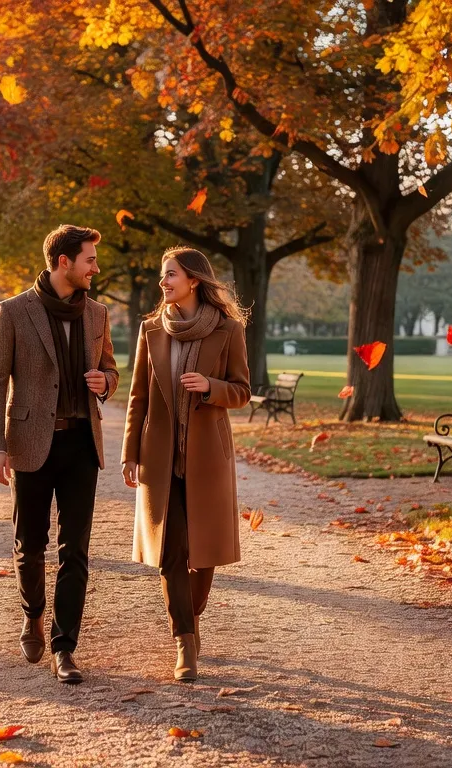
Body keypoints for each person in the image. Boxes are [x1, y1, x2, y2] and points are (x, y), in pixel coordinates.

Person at [0, 224, 119, 684]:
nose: (95, 268)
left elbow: (111, 370)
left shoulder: (97, 314)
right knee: (30, 545)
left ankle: (65, 647)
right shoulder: (14, 311)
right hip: (28, 444)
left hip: (82, 443)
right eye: (90, 260)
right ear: (64, 262)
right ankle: (33, 615)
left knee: (75, 549)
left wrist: (106, 383)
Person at [121, 246, 251, 682]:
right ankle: (185, 640)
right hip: (160, 459)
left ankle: (189, 622)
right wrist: (129, 454)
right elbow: (138, 396)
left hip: (208, 458)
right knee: (170, 551)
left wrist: (211, 386)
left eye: (170, 274)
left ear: (193, 280)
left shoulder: (229, 330)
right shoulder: (151, 330)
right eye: (163, 275)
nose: (164, 282)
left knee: (205, 552)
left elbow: (242, 391)